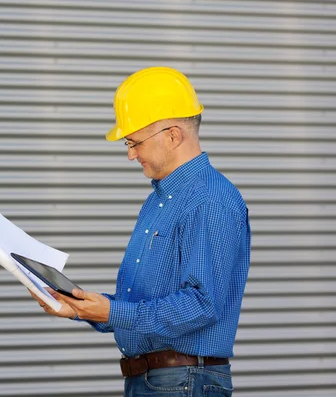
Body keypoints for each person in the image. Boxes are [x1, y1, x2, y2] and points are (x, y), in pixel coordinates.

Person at [29, 67, 250, 397]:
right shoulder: (159, 201)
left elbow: (202, 304)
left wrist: (113, 312)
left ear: (173, 135)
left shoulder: (210, 200)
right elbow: (145, 306)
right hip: (159, 381)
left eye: (134, 142)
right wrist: (81, 308)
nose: (131, 154)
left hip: (184, 383)